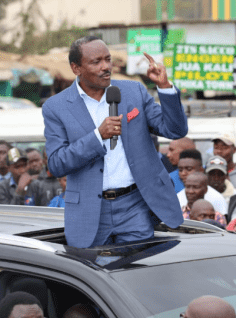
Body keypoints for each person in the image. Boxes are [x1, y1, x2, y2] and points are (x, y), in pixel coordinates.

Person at [42, 36, 187, 248]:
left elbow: (175, 129)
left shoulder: (133, 91)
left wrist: (164, 87)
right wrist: (98, 136)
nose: (105, 67)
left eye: (107, 59)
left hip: (134, 204)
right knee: (92, 275)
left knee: (135, 272)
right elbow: (56, 164)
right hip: (90, 210)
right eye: (96, 62)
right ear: (76, 68)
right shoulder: (56, 107)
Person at [176, 150, 227, 215]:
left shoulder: (216, 198)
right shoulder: (177, 197)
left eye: (189, 169)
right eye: (180, 170)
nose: (183, 173)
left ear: (201, 170)